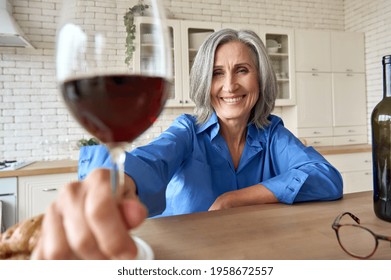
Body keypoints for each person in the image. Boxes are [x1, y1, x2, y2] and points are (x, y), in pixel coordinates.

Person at [33, 29, 343, 259]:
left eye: (242, 70)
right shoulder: (187, 131)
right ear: (203, 83)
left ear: (260, 81)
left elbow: (326, 177)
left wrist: (234, 199)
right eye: (216, 73)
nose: (230, 85)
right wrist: (113, 181)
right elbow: (151, 161)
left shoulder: (273, 133)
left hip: (253, 256)